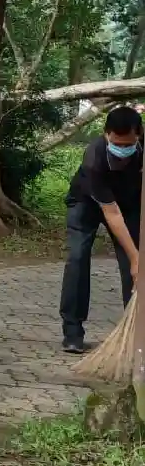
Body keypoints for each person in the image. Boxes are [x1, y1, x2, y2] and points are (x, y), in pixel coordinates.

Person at [60, 106, 144, 353]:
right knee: (77, 257)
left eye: (128, 144)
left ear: (139, 135)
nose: (122, 150)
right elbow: (111, 213)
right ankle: (73, 332)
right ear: (106, 134)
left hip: (128, 203)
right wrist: (135, 256)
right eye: (117, 143)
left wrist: (136, 259)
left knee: (134, 270)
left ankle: (136, 333)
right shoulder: (94, 158)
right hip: (87, 203)